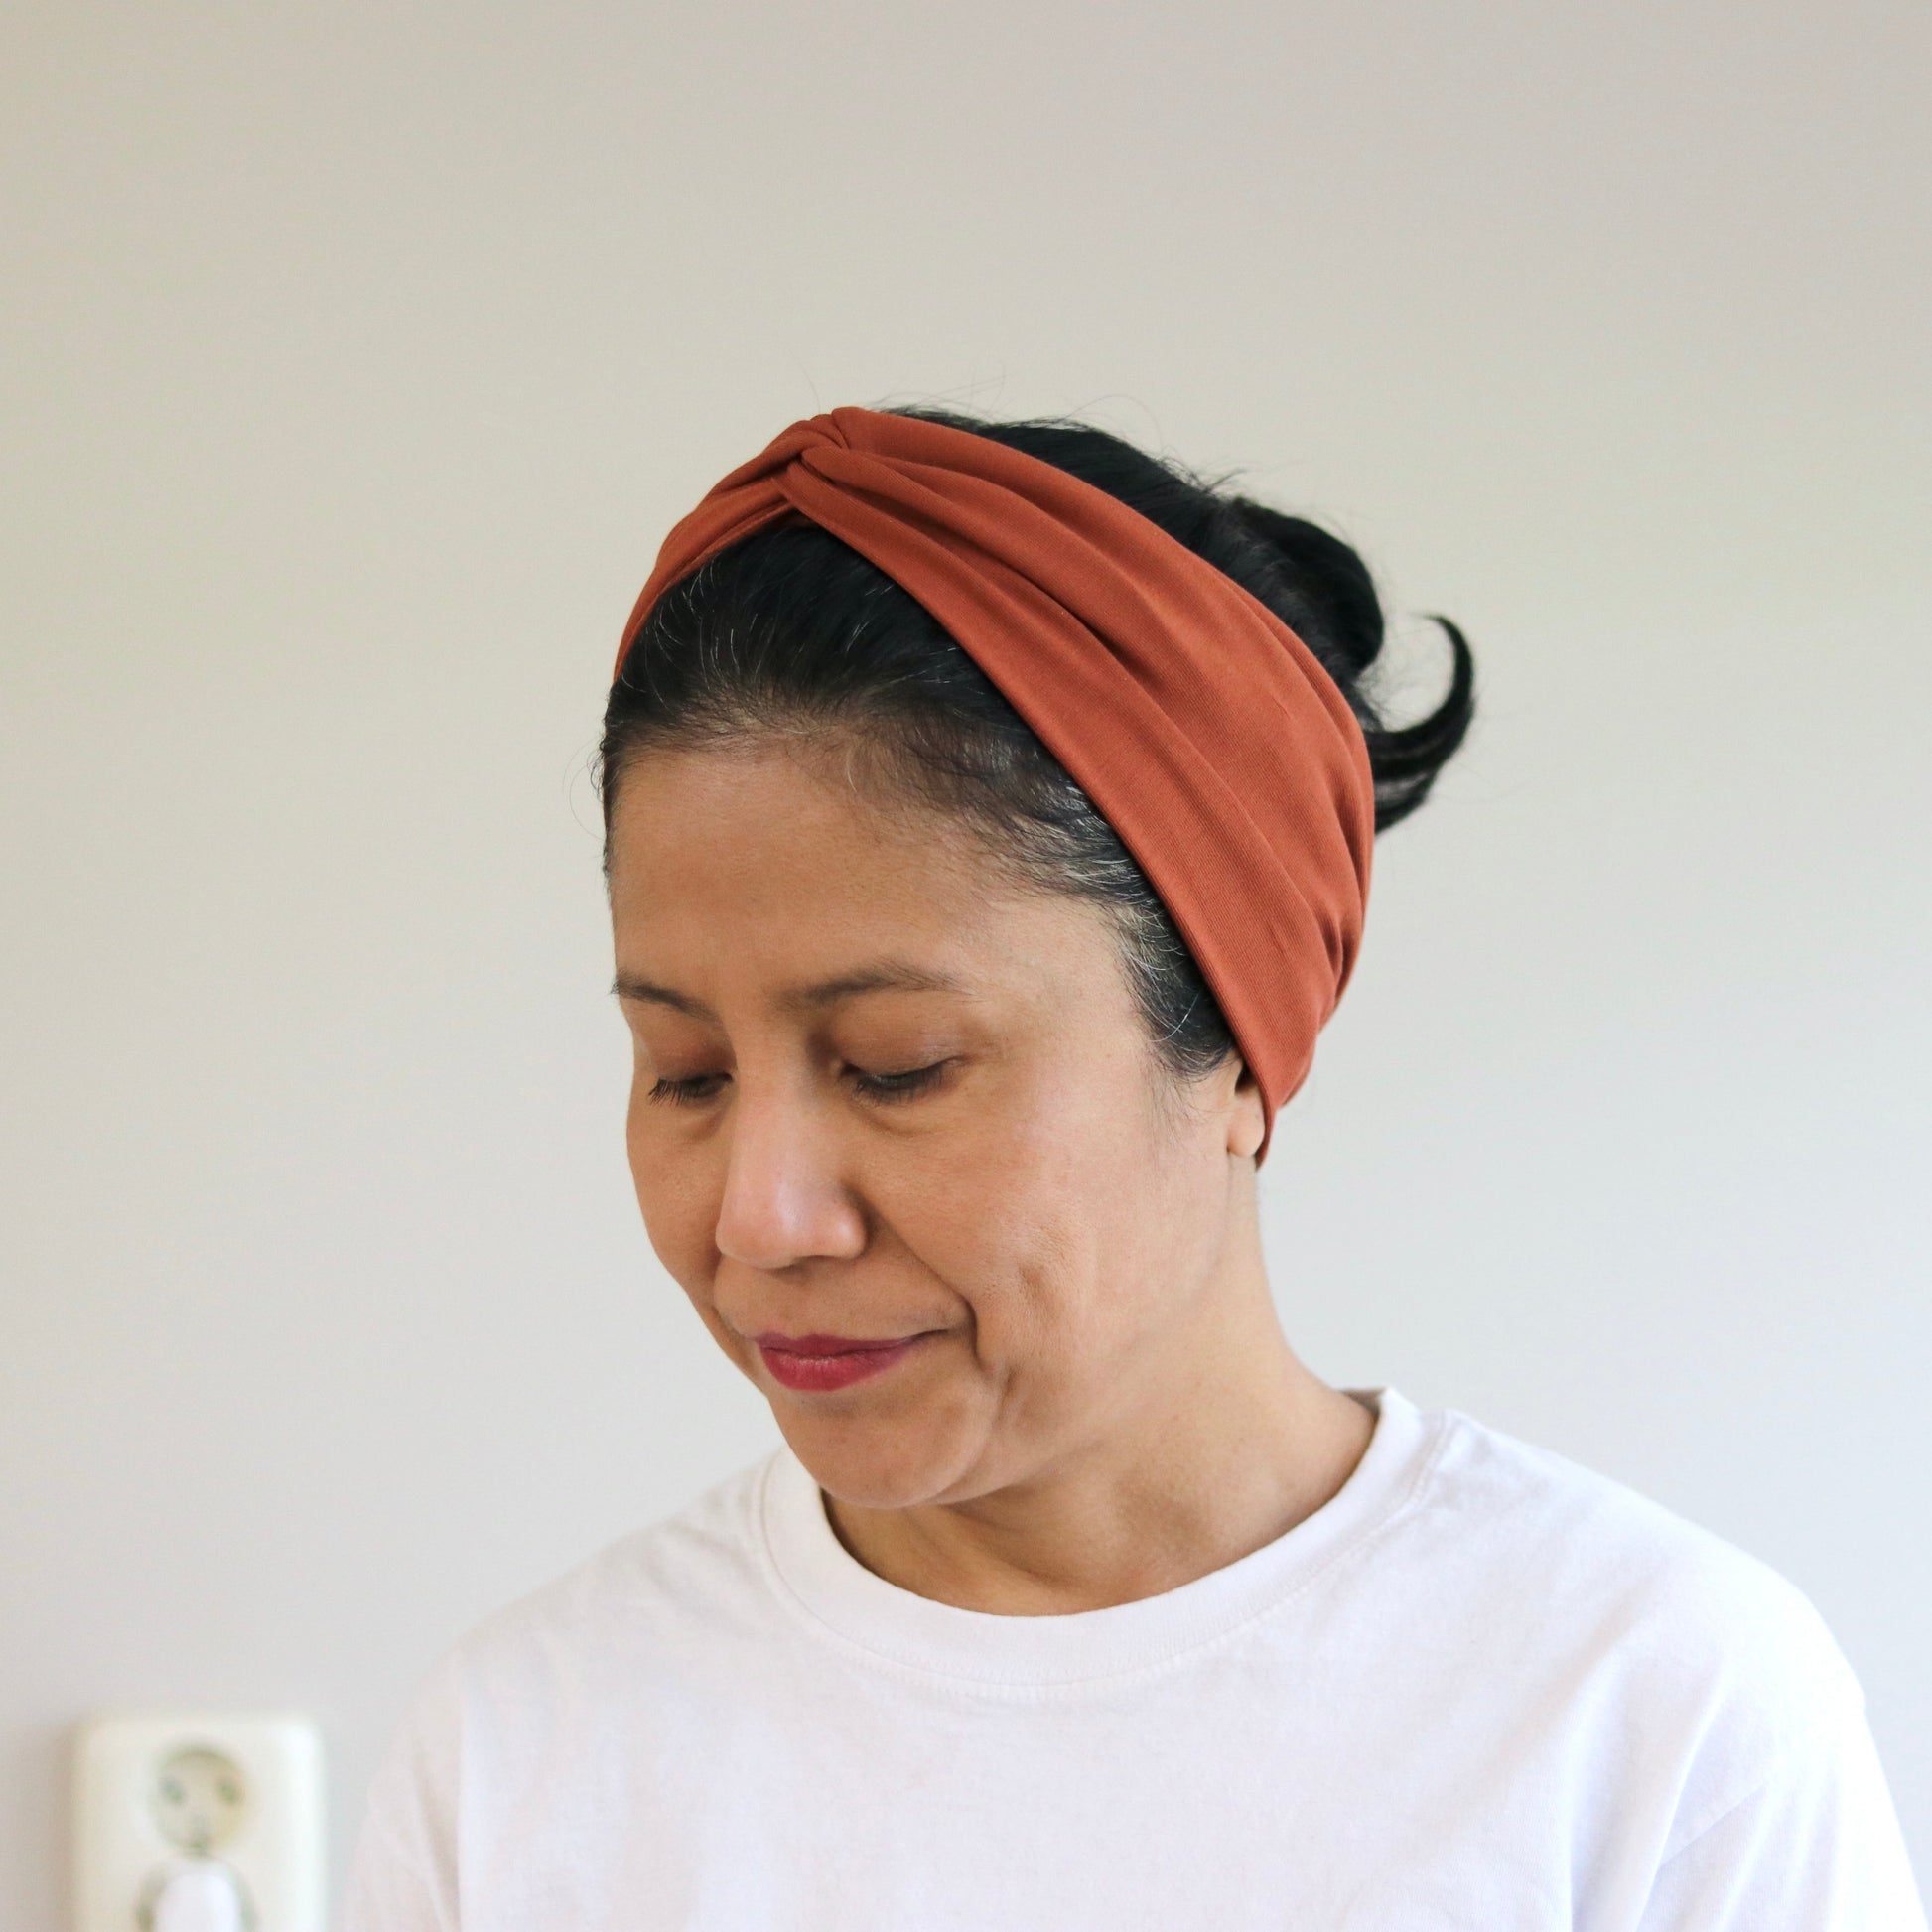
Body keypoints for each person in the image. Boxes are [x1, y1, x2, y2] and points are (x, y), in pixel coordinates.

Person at [339, 406, 1924, 1930]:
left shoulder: (1645, 1711)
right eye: (684, 1071)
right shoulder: (526, 1749)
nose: (759, 1216)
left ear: (1233, 1046)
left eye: (897, 1064)